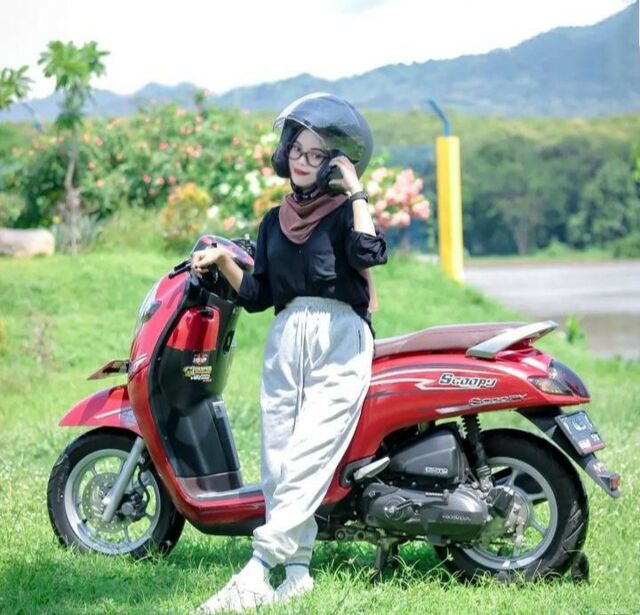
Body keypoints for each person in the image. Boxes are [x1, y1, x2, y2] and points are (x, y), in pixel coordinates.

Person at [191, 93, 388, 614]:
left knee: (308, 455)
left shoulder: (345, 214)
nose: (303, 160)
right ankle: (297, 574)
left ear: (334, 163)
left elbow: (369, 253)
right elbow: (258, 295)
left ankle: (258, 570)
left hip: (339, 338)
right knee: (278, 460)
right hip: (286, 338)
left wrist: (357, 191)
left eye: (317, 154)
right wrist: (225, 261)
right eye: (297, 149)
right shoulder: (273, 221)